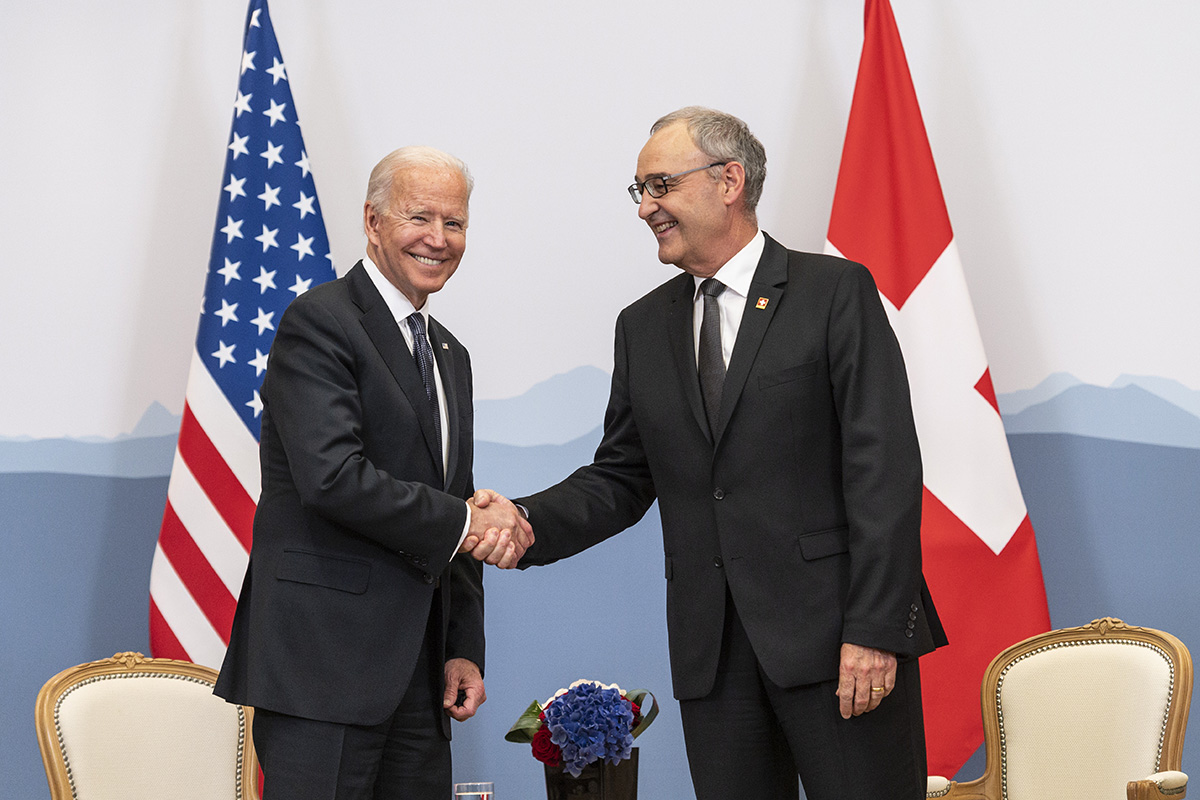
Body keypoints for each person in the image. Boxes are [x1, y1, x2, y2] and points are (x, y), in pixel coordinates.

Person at [481, 107, 946, 799]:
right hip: (715, 659)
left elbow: (883, 471)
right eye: (638, 190)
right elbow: (621, 476)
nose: (645, 208)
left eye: (660, 185)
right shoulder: (643, 327)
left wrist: (876, 630)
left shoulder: (833, 293)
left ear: (729, 180)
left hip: (838, 646)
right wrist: (521, 519)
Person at [214, 146, 533, 800]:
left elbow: (453, 501)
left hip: (418, 675)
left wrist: (462, 644)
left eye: (456, 223)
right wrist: (473, 522)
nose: (439, 240)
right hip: (323, 668)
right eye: (420, 217)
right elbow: (333, 477)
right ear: (373, 221)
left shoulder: (450, 355)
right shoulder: (321, 322)